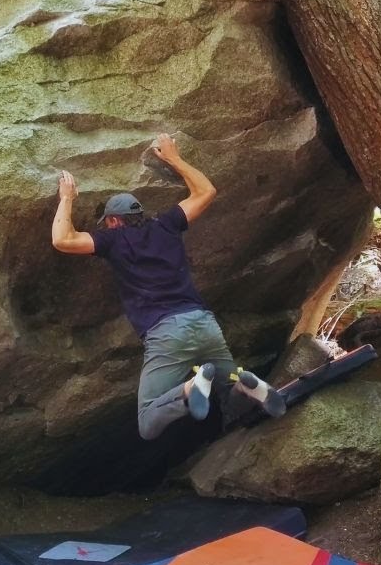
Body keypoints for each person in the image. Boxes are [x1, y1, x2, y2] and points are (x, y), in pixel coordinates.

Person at [50, 133, 285, 441]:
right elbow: (206, 191)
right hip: (204, 324)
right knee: (227, 391)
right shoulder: (166, 224)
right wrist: (173, 158)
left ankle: (190, 390)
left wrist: (67, 197)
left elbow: (62, 240)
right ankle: (244, 386)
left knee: (147, 422)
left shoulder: (113, 241)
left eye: (107, 222)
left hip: (167, 335)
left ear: (114, 222)